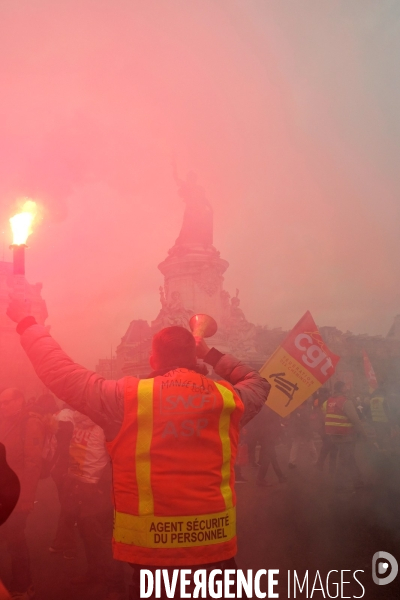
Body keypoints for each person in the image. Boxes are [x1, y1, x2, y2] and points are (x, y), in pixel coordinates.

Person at [7, 297, 271, 599]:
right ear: (194, 358)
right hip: (215, 551)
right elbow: (258, 382)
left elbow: (61, 372)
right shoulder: (225, 399)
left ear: (152, 359)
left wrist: (28, 323)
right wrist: (210, 354)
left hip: (153, 558)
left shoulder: (126, 398)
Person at [0, 389, 48, 599]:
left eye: (7, 402)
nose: (3, 406)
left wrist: (27, 497)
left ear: (20, 401)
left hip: (17, 493)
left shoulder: (30, 423)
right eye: (1, 403)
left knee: (15, 540)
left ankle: (23, 585)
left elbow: (33, 463)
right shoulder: (5, 422)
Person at [324, 381, 366, 491]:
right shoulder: (345, 401)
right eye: (345, 387)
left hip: (334, 434)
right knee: (344, 460)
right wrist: (363, 433)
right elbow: (355, 420)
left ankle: (358, 481)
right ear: (342, 388)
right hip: (345, 435)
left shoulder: (330, 401)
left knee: (349, 457)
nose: (347, 388)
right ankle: (339, 486)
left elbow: (326, 413)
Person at [288, 398, 318, 468]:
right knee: (298, 445)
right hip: (301, 431)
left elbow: (307, 421)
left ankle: (292, 462)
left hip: (304, 431)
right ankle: (292, 462)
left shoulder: (305, 410)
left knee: (310, 446)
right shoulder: (299, 410)